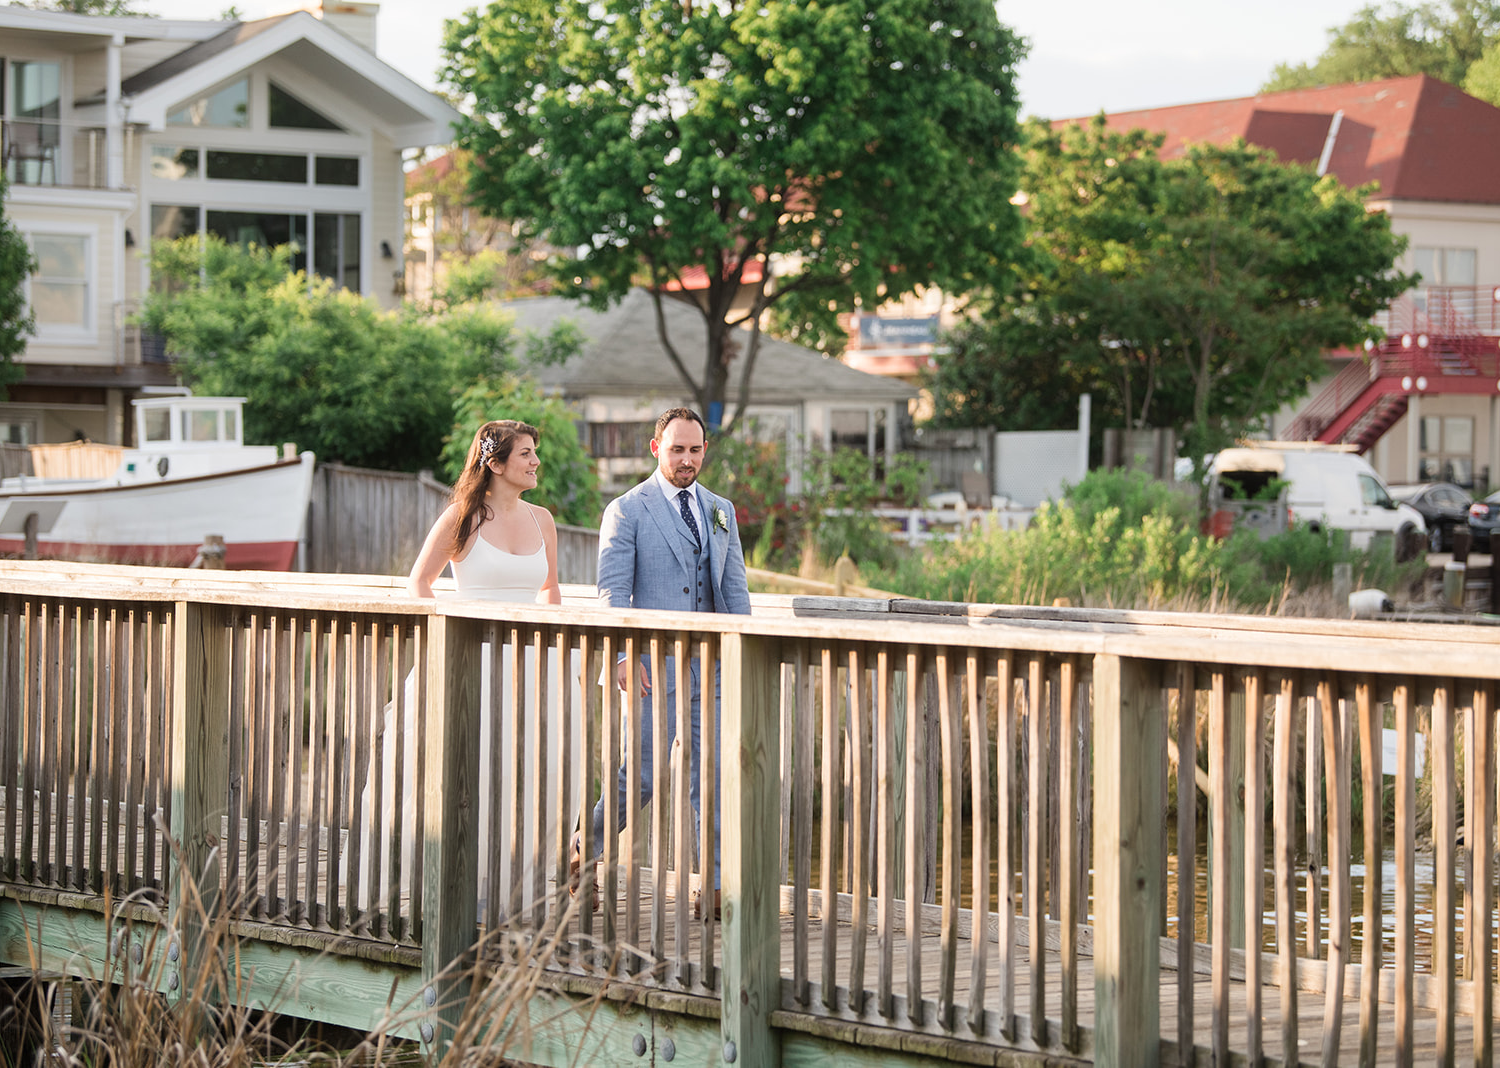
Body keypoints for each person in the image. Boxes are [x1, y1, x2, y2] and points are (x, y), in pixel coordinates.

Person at [358, 419, 576, 921]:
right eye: (525, 454)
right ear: (496, 464)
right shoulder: (464, 516)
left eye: (534, 452)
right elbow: (419, 583)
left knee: (524, 772)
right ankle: (449, 878)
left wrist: (557, 649)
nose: (535, 461)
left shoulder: (543, 520)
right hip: (468, 659)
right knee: (462, 769)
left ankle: (511, 885)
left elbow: (551, 592)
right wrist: (448, 636)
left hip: (531, 664)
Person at [581, 407, 751, 911]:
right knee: (643, 778)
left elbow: (735, 588)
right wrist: (619, 656)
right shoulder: (628, 509)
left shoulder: (721, 508)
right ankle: (582, 850)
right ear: (656, 448)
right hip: (653, 663)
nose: (687, 459)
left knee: (713, 777)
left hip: (714, 663)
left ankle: (714, 887)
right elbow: (611, 591)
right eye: (677, 449)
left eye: (695, 449)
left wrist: (743, 649)